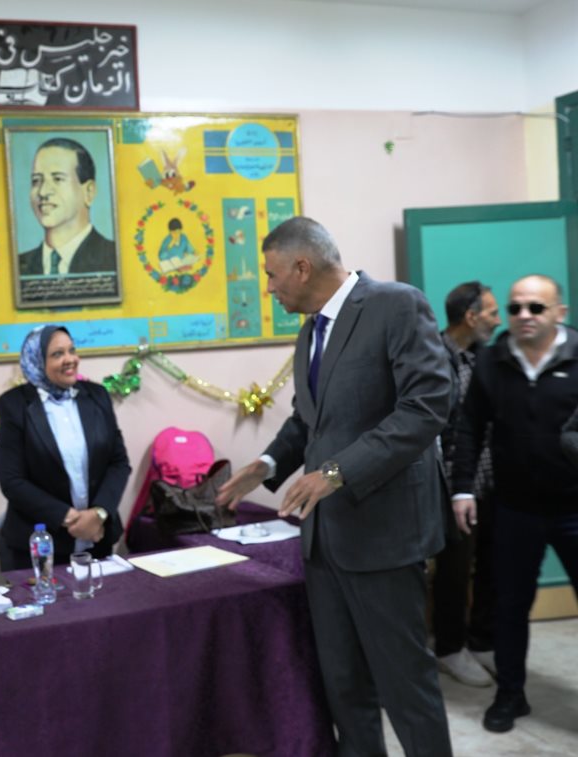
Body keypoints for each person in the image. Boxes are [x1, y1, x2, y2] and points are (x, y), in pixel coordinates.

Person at [216, 216, 453, 757]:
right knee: (344, 687)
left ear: (303, 267)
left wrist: (337, 471)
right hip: (325, 541)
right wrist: (267, 464)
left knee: (405, 686)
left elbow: (426, 407)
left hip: (384, 535)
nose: (269, 288)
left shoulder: (395, 305)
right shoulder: (310, 332)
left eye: (272, 274)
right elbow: (310, 419)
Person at [452, 274, 578, 734]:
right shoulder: (492, 361)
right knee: (508, 608)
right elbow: (469, 428)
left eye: (536, 308)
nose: (524, 315)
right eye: (515, 307)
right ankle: (510, 694)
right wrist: (462, 489)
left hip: (574, 508)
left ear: (559, 312)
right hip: (514, 509)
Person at [0, 325, 130, 570]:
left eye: (72, 350)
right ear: (37, 361)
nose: (70, 359)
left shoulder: (97, 396)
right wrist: (72, 519)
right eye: (57, 354)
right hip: (40, 546)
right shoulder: (14, 405)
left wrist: (98, 514)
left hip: (97, 539)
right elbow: (12, 480)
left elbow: (118, 462)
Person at [433, 281, 501, 687]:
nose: (498, 319)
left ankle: (481, 640)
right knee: (454, 570)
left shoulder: (487, 356)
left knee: (493, 563)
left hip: (493, 478)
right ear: (471, 317)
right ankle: (449, 647)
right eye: (492, 312)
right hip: (451, 484)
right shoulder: (434, 357)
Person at [17, 138, 117, 276]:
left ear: (89, 192)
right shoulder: (17, 266)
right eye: (36, 180)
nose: (43, 192)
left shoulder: (115, 258)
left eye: (58, 179)